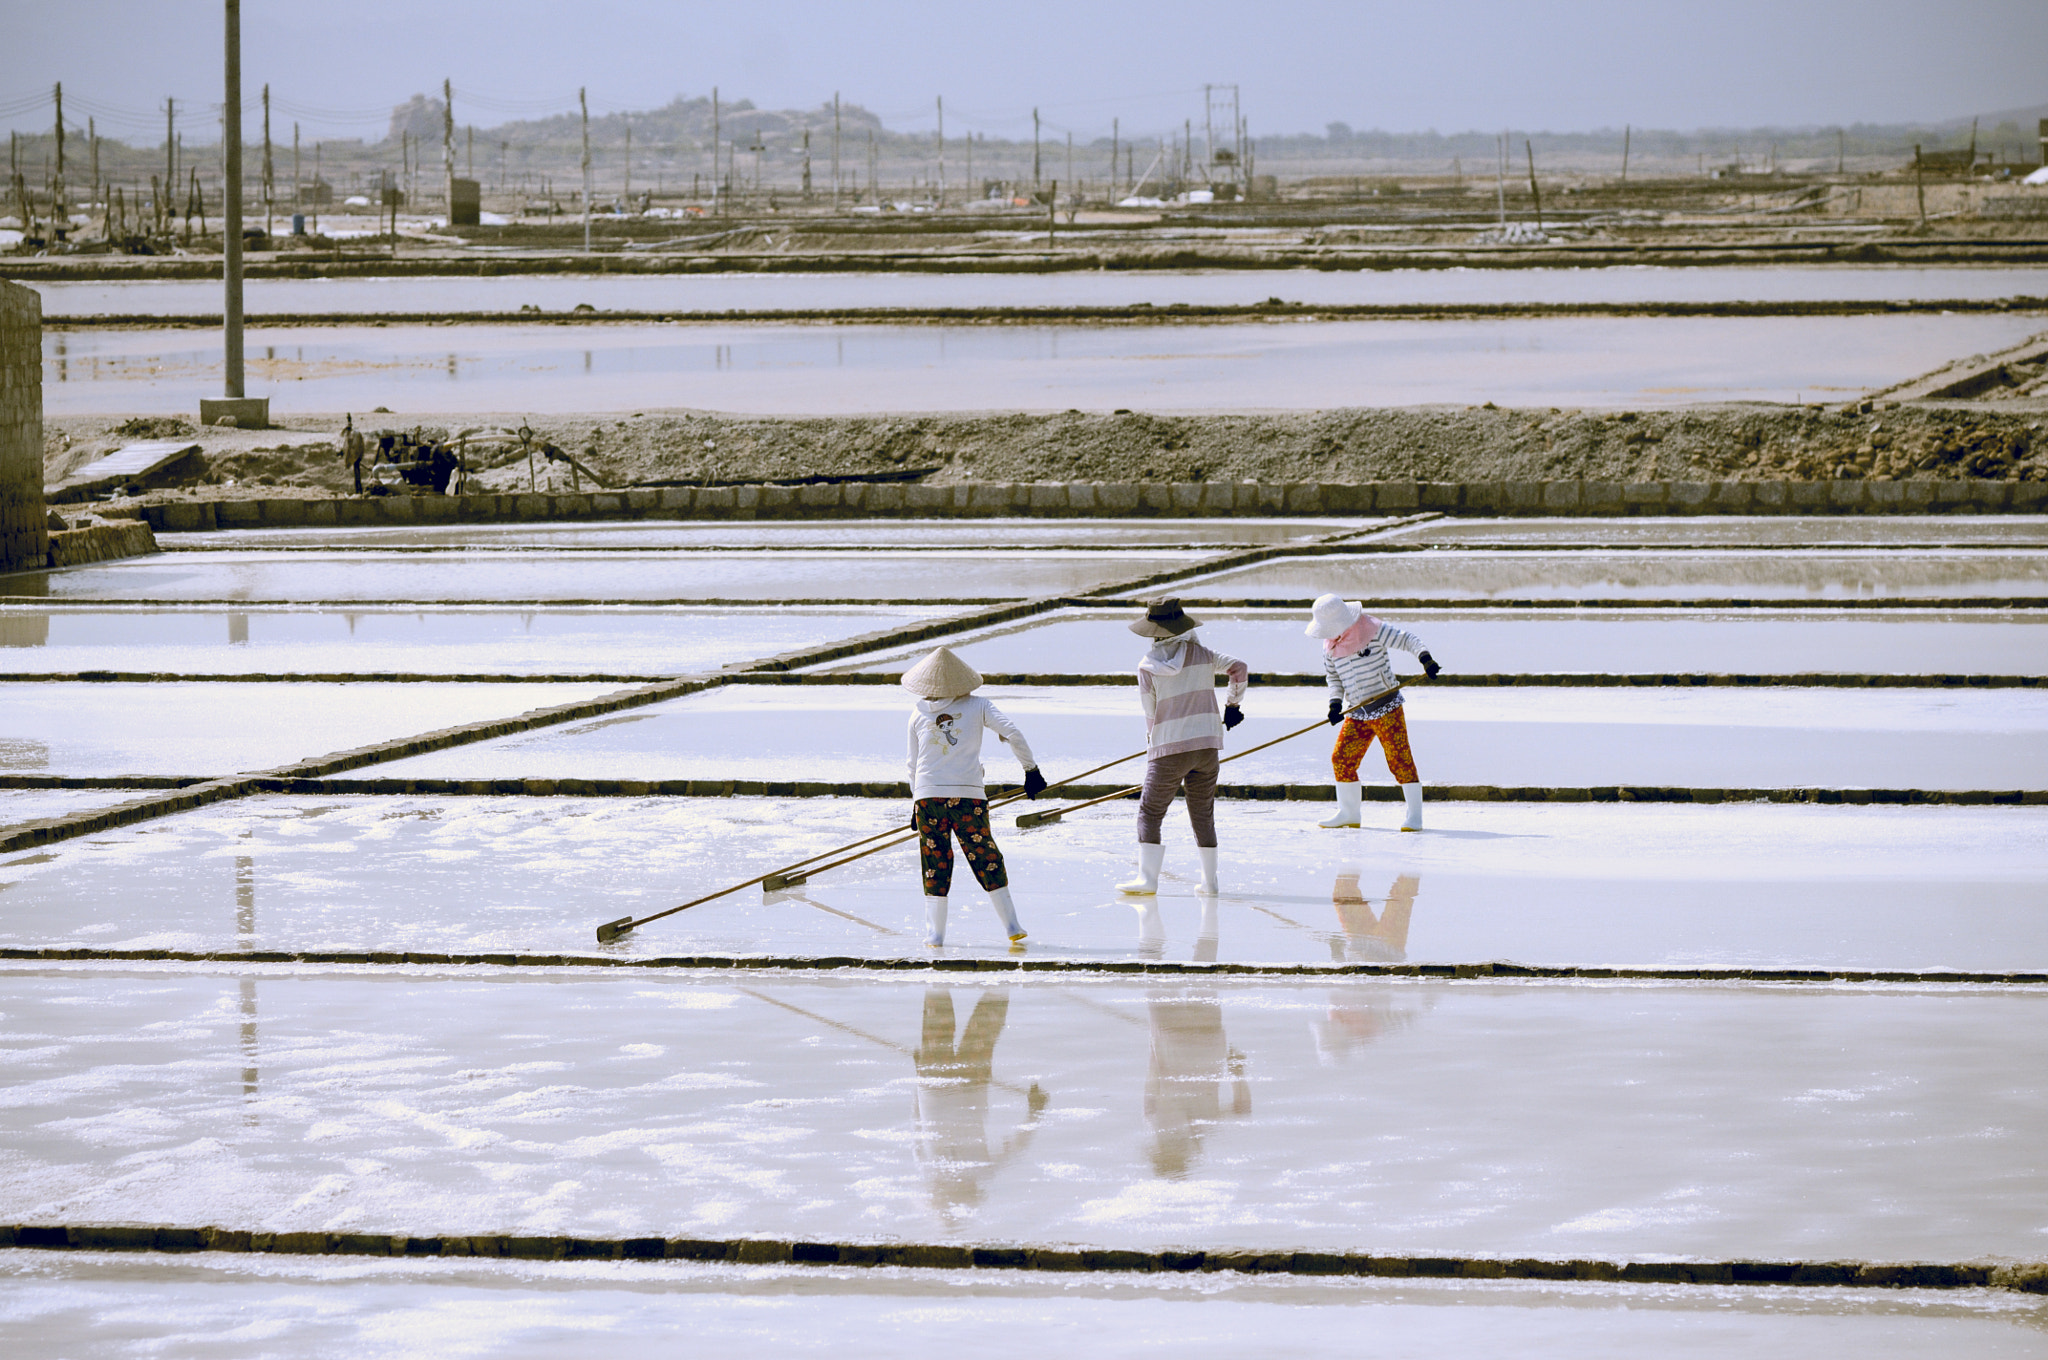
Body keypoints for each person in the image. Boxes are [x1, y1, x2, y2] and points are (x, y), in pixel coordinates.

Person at [903, 646, 1047, 947]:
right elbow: (1013, 733)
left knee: (934, 861)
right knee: (986, 856)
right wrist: (1030, 770)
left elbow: (912, 765)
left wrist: (916, 801)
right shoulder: (979, 705)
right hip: (968, 798)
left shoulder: (916, 713)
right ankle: (1012, 926)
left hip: (928, 798)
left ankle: (935, 935)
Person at [1119, 598, 1249, 897]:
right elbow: (1239, 668)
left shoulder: (1147, 666)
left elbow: (1150, 713)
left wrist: (1152, 743)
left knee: (1150, 812)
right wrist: (1232, 705)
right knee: (1202, 813)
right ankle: (1210, 882)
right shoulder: (1203, 654)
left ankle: (1147, 880)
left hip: (1169, 748)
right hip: (1206, 746)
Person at [1306, 592, 1439, 832]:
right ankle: (1349, 813)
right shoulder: (1329, 647)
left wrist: (1425, 658)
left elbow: (1406, 639)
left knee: (1399, 760)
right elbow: (1333, 678)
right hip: (1357, 712)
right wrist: (1335, 704)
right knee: (1342, 758)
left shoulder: (1370, 629)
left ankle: (1414, 816)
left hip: (1386, 706)